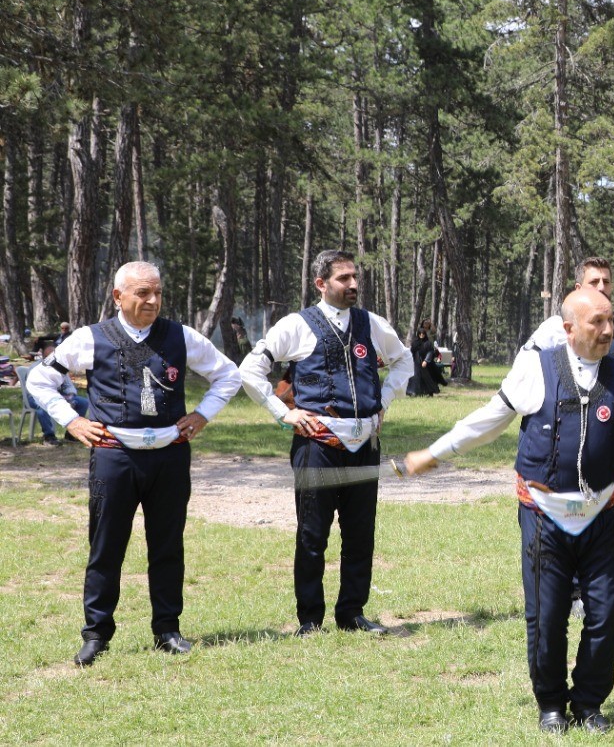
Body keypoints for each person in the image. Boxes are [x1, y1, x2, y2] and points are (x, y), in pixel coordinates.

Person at [399, 288, 614, 734]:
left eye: (610, 320)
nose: (608, 330)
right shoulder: (535, 369)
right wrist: (435, 453)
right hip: (544, 515)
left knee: (605, 611)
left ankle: (590, 704)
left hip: (603, 513)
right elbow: (486, 420)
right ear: (569, 328)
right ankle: (552, 705)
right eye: (596, 321)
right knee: (547, 613)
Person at [27, 261, 241, 666]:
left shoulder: (181, 336)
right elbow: (40, 379)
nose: (153, 300)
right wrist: (72, 421)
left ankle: (167, 629)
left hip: (170, 455)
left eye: (157, 292)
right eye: (143, 293)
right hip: (114, 455)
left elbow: (228, 375)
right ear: (118, 296)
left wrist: (202, 414)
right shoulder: (89, 339)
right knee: (106, 545)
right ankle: (96, 633)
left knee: (166, 544)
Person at [239, 249, 413, 637]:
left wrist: (382, 401)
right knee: (312, 534)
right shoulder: (296, 325)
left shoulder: (372, 324)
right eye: (343, 278)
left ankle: (352, 613)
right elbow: (250, 370)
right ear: (321, 284)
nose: (353, 285)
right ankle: (310, 620)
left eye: (355, 277)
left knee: (360, 533)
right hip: (318, 444)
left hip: (365, 444)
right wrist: (282, 412)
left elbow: (404, 360)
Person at [521, 257, 614, 399]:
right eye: (594, 282)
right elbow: (525, 363)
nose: (601, 287)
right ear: (578, 289)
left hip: (613, 418)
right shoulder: (555, 327)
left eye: (606, 282)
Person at [25, 339, 89, 445]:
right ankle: (49, 436)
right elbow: (34, 390)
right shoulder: (35, 368)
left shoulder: (60, 366)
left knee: (83, 402)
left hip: (58, 395)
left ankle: (71, 435)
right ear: (43, 357)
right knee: (42, 408)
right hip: (35, 396)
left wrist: (70, 396)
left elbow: (69, 385)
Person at [408, 329, 438, 396]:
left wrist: (426, 360)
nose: (421, 335)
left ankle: (430, 391)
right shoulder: (414, 343)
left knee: (427, 377)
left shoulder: (428, 343)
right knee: (415, 377)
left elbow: (430, 352)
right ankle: (414, 392)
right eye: (420, 334)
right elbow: (411, 352)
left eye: (423, 334)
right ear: (418, 334)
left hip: (426, 363)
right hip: (416, 362)